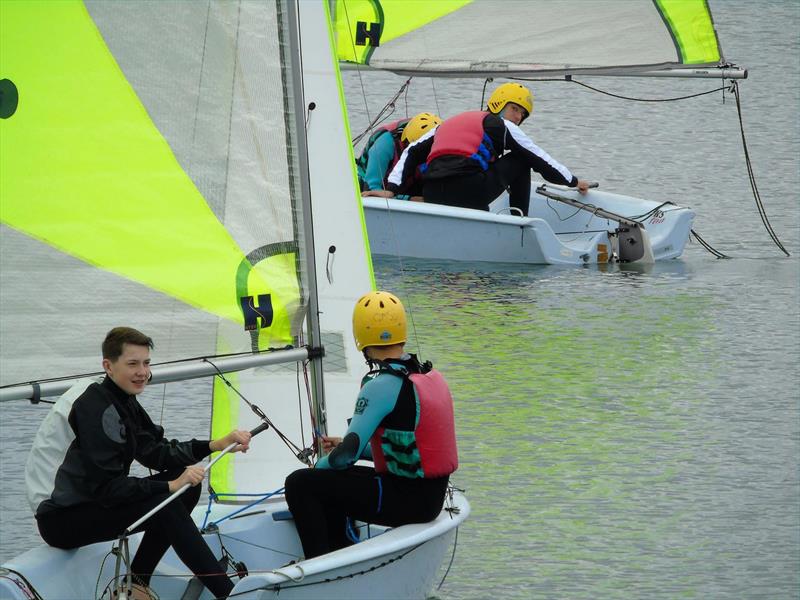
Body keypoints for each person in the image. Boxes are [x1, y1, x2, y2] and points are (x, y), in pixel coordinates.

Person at [32, 327, 252, 599]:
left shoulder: (120, 398)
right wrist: (170, 485)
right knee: (168, 500)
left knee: (187, 486)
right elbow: (109, 489)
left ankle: (136, 583)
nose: (142, 372)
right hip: (62, 518)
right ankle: (229, 594)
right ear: (108, 366)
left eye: (146, 363)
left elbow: (156, 453)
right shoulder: (96, 408)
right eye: (132, 364)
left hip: (92, 501)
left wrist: (214, 445)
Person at [284, 291, 458, 560]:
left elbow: (345, 458)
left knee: (300, 484)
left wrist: (319, 468)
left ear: (361, 337)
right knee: (332, 481)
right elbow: (411, 449)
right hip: (429, 499)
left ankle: (318, 566)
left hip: (405, 501)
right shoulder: (427, 376)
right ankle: (341, 552)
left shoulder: (380, 385)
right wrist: (345, 448)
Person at [364, 82, 591, 216]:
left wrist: (391, 189)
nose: (518, 117)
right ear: (498, 104)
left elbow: (411, 151)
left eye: (523, 114)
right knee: (522, 159)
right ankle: (519, 220)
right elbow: (540, 158)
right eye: (514, 109)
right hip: (470, 192)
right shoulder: (503, 126)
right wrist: (573, 181)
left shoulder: (450, 122)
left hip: (432, 193)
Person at [356, 112, 442, 199]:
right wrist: (409, 199)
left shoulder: (438, 144)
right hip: (370, 186)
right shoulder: (384, 145)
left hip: (406, 184)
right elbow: (371, 190)